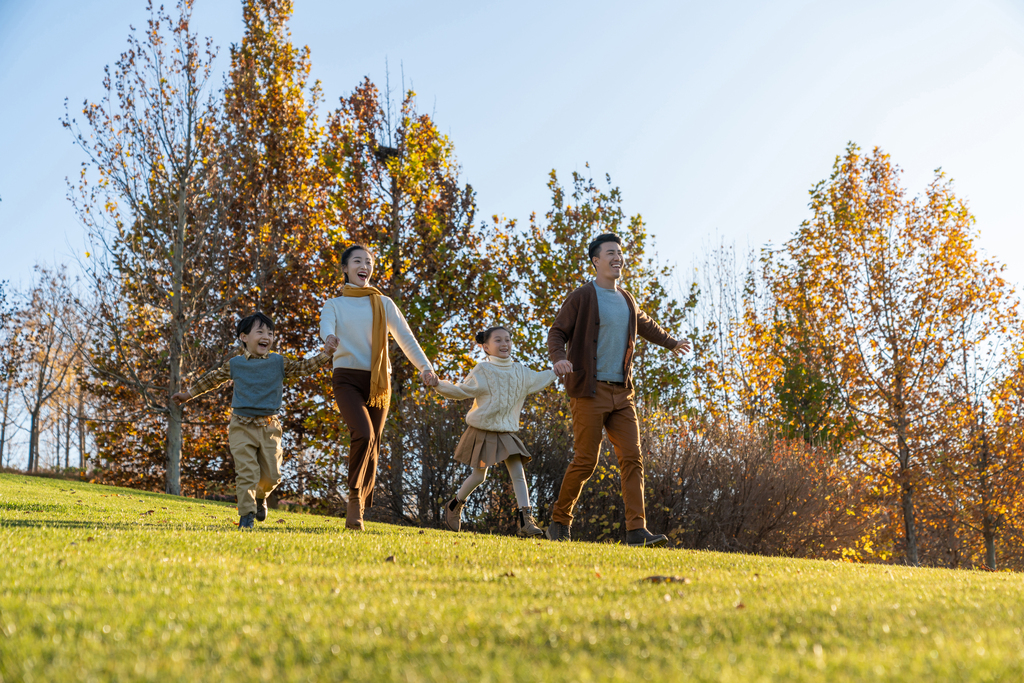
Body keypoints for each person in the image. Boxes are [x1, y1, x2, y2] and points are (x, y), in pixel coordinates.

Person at [545, 233, 691, 547]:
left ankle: (636, 531)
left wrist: (672, 342)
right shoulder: (582, 296)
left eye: (620, 253)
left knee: (632, 459)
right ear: (596, 260)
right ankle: (559, 521)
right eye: (611, 253)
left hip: (623, 393)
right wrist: (559, 359)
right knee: (586, 461)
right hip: (589, 390)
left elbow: (645, 323)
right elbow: (557, 331)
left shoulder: (626, 298)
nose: (617, 258)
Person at [172, 312, 337, 529]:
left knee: (272, 475)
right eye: (260, 332)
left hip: (269, 426)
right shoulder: (236, 364)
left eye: (270, 333)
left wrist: (326, 354)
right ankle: (246, 517)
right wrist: (188, 395)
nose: (266, 336)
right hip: (241, 425)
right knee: (247, 472)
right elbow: (213, 380)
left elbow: (302, 368)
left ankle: (261, 497)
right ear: (244, 337)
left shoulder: (278, 362)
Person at [320, 244, 438, 530]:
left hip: (377, 382)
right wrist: (330, 339)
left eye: (369, 262)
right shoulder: (335, 304)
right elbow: (327, 325)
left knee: (373, 444)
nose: (365, 266)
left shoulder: (383, 303)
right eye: (357, 261)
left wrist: (425, 367)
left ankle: (359, 501)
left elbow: (405, 338)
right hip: (347, 377)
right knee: (363, 433)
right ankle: (353, 499)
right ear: (345, 268)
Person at [434, 326, 555, 537]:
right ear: (486, 347)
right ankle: (454, 505)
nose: (504, 344)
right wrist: (438, 384)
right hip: (482, 430)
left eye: (507, 339)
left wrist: (557, 370)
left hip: (506, 431)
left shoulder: (520, 371)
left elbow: (539, 378)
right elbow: (462, 390)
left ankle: (526, 522)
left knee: (518, 473)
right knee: (479, 476)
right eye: (498, 340)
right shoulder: (483, 371)